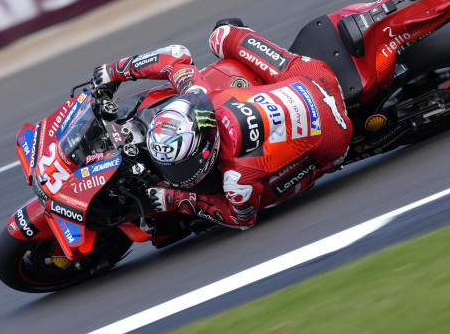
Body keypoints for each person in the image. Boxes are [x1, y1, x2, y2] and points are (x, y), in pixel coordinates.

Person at [93, 20, 353, 229]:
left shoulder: (236, 179)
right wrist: (114, 71)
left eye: (182, 165)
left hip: (333, 137)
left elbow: (242, 219)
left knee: (264, 200)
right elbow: (175, 56)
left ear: (206, 150)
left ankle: (323, 167)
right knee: (222, 33)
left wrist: (175, 198)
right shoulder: (201, 96)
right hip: (308, 76)